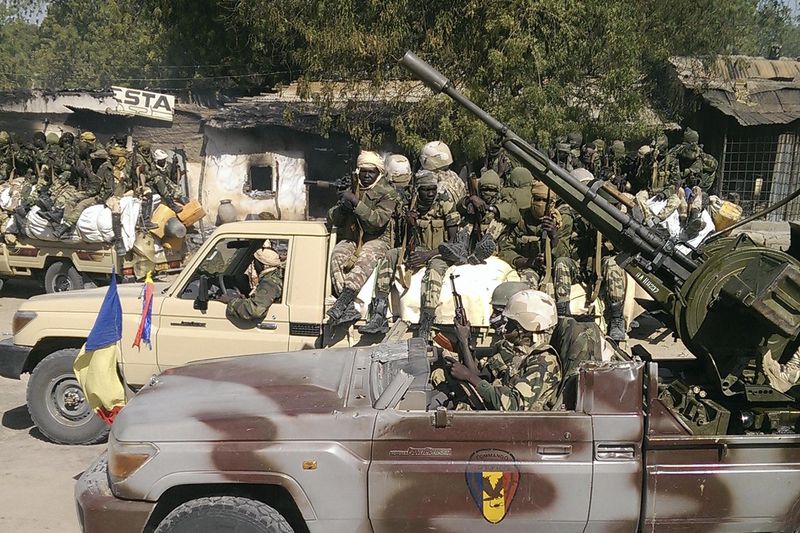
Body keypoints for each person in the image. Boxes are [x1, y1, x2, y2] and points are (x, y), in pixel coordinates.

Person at [447, 289, 563, 411]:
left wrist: (469, 376)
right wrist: (464, 342)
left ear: (522, 328)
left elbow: (513, 406)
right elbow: (484, 378)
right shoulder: (519, 354)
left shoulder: (542, 362)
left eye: (510, 323)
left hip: (517, 426)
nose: (505, 327)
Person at [327, 150, 398, 326]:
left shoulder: (387, 192)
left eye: (371, 172)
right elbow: (332, 217)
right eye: (363, 171)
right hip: (353, 237)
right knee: (337, 255)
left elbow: (378, 221)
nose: (366, 175)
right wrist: (343, 207)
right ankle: (348, 306)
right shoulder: (353, 187)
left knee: (365, 259)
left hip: (378, 239)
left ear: (378, 172)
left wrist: (356, 203)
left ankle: (344, 300)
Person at [498, 179, 569, 287]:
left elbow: (566, 255)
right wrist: (527, 262)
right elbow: (506, 250)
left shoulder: (563, 220)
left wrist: (554, 236)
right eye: (537, 199)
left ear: (552, 203)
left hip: (555, 270)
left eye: (545, 200)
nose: (540, 203)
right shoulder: (521, 218)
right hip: (529, 269)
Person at [221, 245, 284, 323]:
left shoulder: (269, 282)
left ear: (262, 265)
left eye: (255, 261)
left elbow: (255, 310)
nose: (253, 264)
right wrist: (244, 301)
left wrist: (231, 301)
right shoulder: (275, 276)